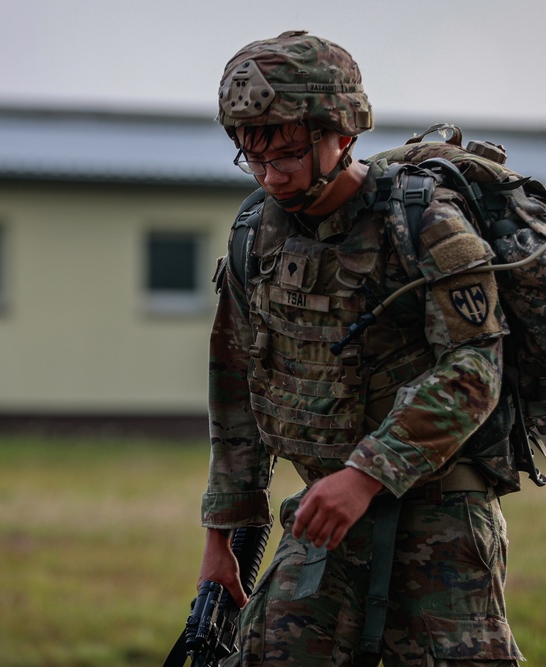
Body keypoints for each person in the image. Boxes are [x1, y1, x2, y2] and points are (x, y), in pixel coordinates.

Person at [197, 30, 524, 666]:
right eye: (253, 158)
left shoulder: (423, 221)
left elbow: (476, 369)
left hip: (440, 514)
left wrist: (367, 472)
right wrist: (224, 536)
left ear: (343, 135)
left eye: (287, 155)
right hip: (323, 511)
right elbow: (235, 387)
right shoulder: (253, 234)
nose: (271, 175)